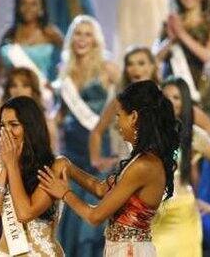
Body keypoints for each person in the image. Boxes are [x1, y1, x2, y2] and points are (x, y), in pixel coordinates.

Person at [39, 80, 180, 256]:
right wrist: (69, 167)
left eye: (119, 116)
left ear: (134, 117)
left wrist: (65, 193)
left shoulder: (145, 165)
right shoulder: (138, 159)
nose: (116, 124)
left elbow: (95, 216)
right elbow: (100, 189)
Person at [152, 77, 210, 256]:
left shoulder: (194, 135)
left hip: (182, 219)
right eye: (166, 96)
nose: (170, 102)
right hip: (151, 217)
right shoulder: (147, 133)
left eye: (176, 98)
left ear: (184, 103)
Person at [90, 46, 210, 169]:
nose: (135, 69)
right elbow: (97, 132)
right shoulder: (121, 101)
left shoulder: (167, 96)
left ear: (152, 66)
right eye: (130, 64)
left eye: (141, 63)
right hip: (126, 171)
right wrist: (97, 160)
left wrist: (188, 158)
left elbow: (208, 127)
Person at [56, 14, 120, 257]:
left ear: (96, 40)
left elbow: (126, 103)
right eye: (78, 34)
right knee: (70, 213)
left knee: (92, 215)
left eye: (88, 34)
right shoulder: (65, 70)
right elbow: (62, 113)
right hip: (71, 148)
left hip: (98, 149)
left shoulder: (108, 68)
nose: (82, 39)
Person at [0, 96, 65, 256]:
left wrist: (12, 166)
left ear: (30, 127)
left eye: (14, 125)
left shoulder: (54, 166)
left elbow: (25, 213)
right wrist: (5, 169)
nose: (8, 131)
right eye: (3, 125)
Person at [155, 0, 210, 115]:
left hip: (196, 85)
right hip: (170, 84)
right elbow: (157, 58)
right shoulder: (171, 22)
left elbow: (207, 56)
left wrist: (181, 34)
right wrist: (171, 39)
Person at [0, 0, 63, 83]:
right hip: (12, 91)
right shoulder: (9, 34)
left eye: (34, 4)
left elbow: (68, 56)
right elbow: (0, 70)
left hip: (40, 91)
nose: (28, 8)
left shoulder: (50, 33)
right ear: (18, 7)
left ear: (41, 8)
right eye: (24, 3)